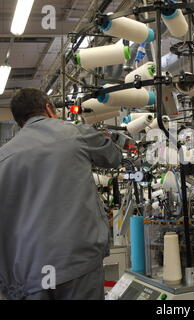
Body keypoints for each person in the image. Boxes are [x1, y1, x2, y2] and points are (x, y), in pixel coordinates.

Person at [0, 88, 122, 300]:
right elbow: (113, 157)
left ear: (20, 121)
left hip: (30, 271)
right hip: (76, 262)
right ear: (48, 108)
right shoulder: (75, 133)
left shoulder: (3, 157)